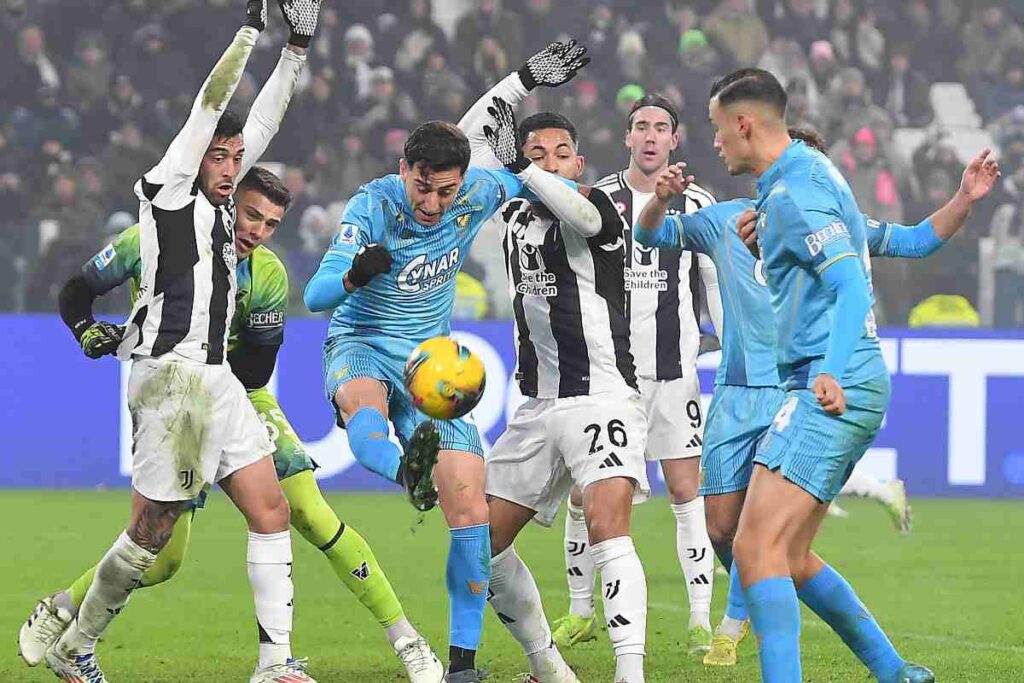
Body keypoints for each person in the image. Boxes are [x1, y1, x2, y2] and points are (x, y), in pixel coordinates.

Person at [21, 168, 445, 683]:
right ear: (224, 203)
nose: (257, 232)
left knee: (307, 514)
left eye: (270, 224)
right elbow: (75, 291)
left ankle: (403, 641)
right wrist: (88, 330)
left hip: (240, 392)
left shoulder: (266, 274)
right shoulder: (153, 241)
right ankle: (64, 609)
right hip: (172, 396)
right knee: (160, 556)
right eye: (251, 216)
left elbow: (255, 372)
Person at [26, 3, 323, 681]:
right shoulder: (168, 193)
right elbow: (209, 105)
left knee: (270, 507)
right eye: (217, 153)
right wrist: (251, 31)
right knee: (151, 535)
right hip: (170, 379)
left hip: (215, 379)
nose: (228, 163)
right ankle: (77, 644)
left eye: (233, 156)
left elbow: (263, 118)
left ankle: (275, 665)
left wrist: (297, 47)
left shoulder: (222, 209)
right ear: (195, 153)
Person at [636, 130, 1000, 667]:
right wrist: (660, 199)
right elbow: (652, 236)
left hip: (802, 388)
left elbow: (917, 240)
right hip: (741, 391)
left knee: (763, 546)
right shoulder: (729, 219)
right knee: (730, 532)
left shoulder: (834, 224)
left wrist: (963, 200)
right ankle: (888, 667)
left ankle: (744, 631)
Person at [303, 40, 590, 683]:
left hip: (433, 366)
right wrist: (354, 274)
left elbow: (537, 179)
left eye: (445, 191)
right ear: (403, 168)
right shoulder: (372, 205)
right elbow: (315, 295)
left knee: (472, 516)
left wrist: (577, 183)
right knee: (363, 408)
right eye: (423, 188)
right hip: (363, 343)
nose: (432, 204)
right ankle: (405, 470)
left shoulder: (477, 191)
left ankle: (461, 665)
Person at [706, 67, 935, 683]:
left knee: (756, 553)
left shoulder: (793, 195)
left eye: (717, 128)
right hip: (831, 379)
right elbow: (888, 247)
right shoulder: (807, 173)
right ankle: (895, 672)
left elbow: (852, 288)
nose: (716, 142)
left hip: (831, 381)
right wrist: (962, 200)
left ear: (743, 123)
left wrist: (829, 371)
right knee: (792, 557)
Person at [459, 64, 650, 683]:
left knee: (605, 525)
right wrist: (520, 81)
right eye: (536, 150)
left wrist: (524, 165)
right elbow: (465, 140)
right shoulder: (513, 212)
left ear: (578, 163)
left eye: (560, 153)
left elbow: (585, 219)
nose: (547, 160)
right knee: (478, 544)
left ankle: (630, 673)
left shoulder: (598, 207)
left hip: (601, 398)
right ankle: (549, 666)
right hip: (538, 406)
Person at [553, 93, 723, 657]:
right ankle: (580, 611)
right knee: (585, 493)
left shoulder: (696, 202)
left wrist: (730, 342)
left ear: (675, 140)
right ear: (627, 138)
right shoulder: (598, 200)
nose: (650, 136)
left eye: (661, 128)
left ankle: (700, 619)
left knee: (686, 489)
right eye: (640, 127)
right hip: (609, 375)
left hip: (675, 375)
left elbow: (714, 283)